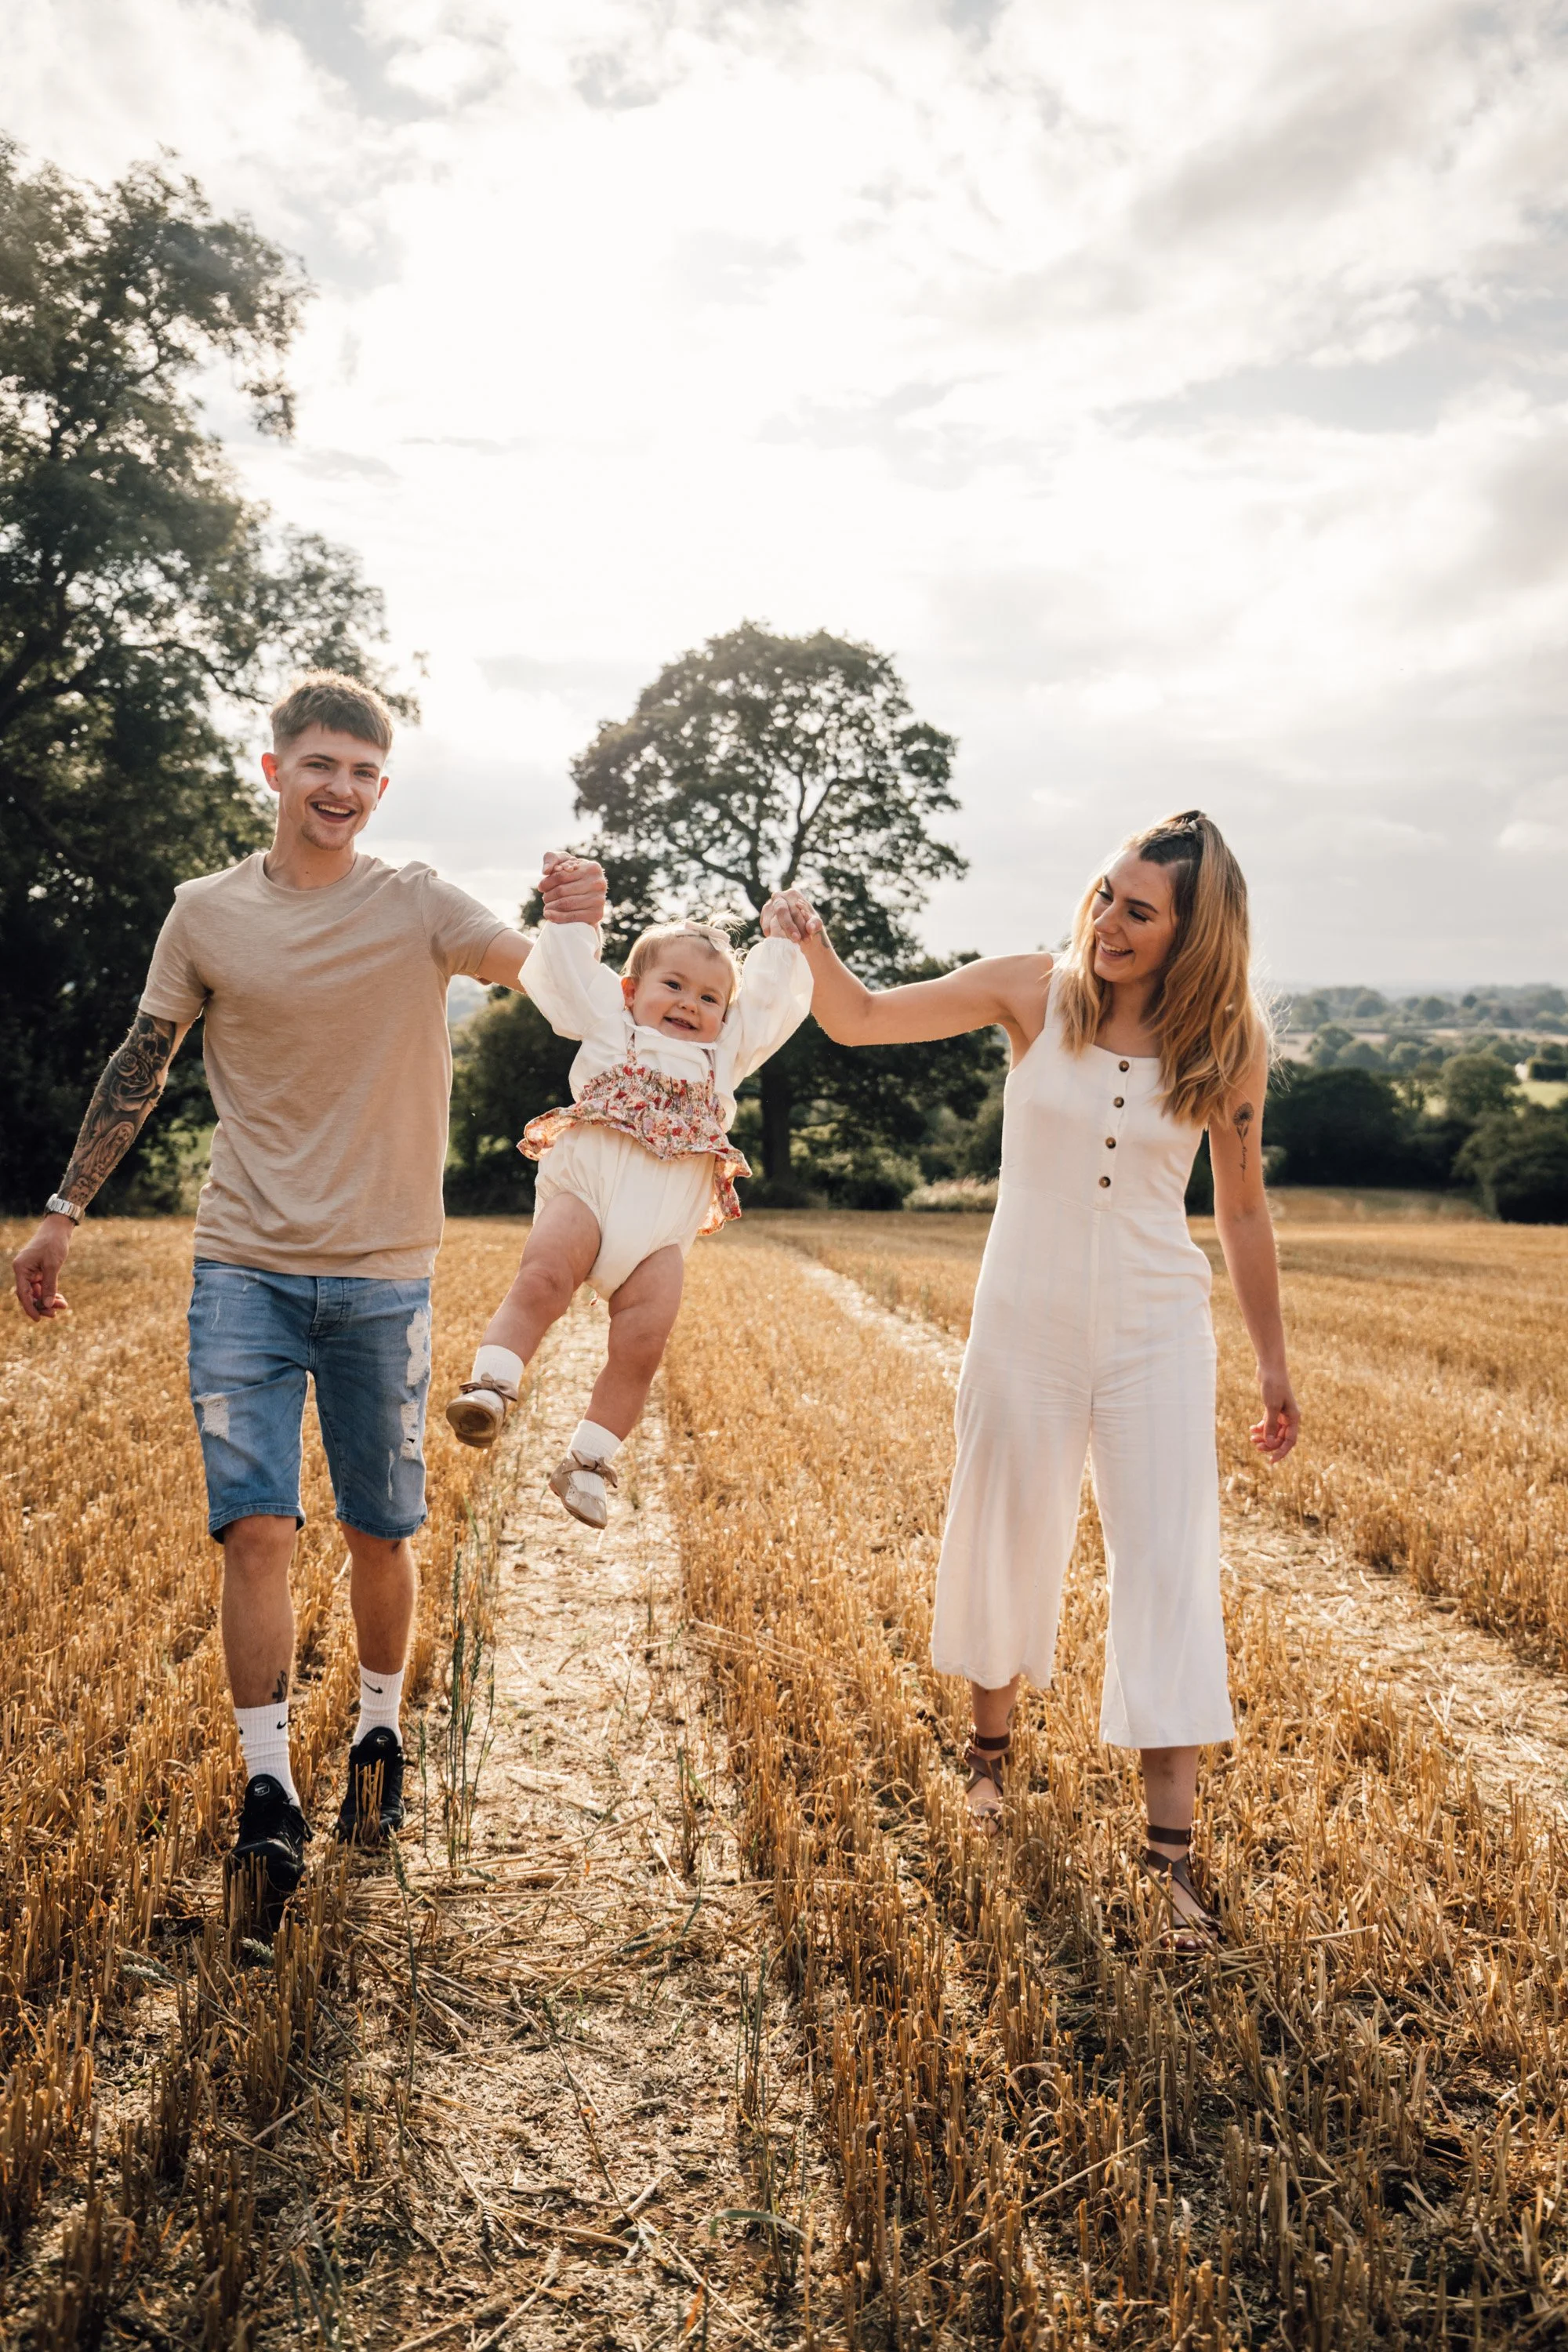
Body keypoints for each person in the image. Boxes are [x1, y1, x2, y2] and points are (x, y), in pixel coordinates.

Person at [10, 670, 607, 1907]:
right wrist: (65, 1210)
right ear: (275, 769)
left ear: (381, 791)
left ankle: (378, 1731)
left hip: (386, 1275)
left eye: (364, 774)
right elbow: (143, 1060)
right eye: (321, 764)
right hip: (245, 1267)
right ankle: (268, 1786)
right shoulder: (205, 914)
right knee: (257, 1526)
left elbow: (546, 987)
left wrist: (574, 924)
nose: (342, 789)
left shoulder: (420, 904)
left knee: (380, 1530)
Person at [764, 811, 1299, 1947]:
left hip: (1162, 1327)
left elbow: (1241, 1208)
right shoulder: (1031, 990)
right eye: (1106, 894)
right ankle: (989, 1759)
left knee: (1167, 1562)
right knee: (1009, 1525)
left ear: (1194, 932)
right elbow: (856, 1022)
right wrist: (807, 940)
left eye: (1139, 911)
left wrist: (1272, 1361)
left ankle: (1172, 1864)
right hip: (1027, 1316)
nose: (1109, 921)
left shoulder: (1228, 1040)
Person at [444, 911, 811, 1525]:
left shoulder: (726, 1056)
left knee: (643, 1345)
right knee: (541, 1280)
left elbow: (774, 1006)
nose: (690, 1004)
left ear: (726, 1014)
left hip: (660, 1231)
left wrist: (781, 942)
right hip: (588, 1192)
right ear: (630, 990)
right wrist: (572, 920)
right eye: (673, 985)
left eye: (709, 997)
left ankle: (588, 1462)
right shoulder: (609, 1026)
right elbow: (562, 977)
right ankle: (491, 1386)